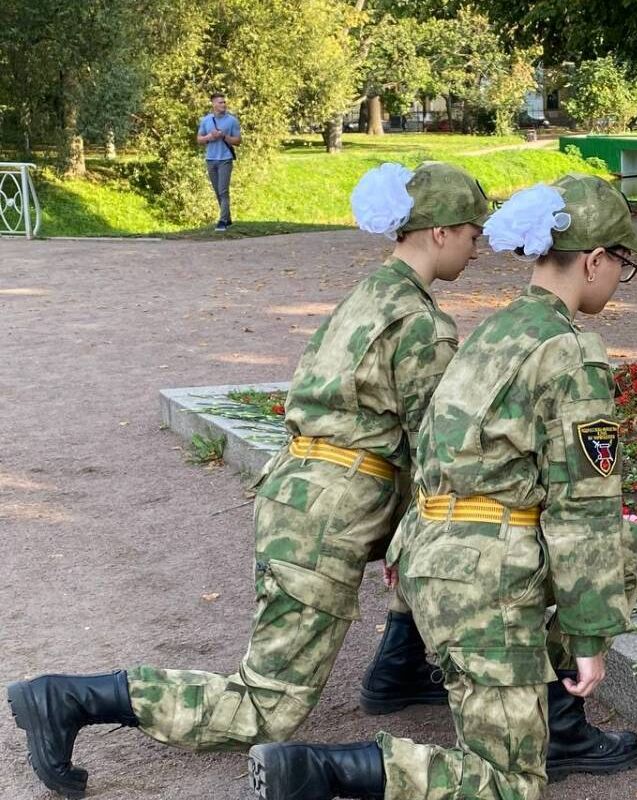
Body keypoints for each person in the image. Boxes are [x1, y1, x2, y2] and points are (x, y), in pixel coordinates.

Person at [6, 161, 490, 800]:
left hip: (302, 489)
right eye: (471, 232)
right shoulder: (421, 323)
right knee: (266, 707)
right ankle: (71, 699)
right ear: (437, 232)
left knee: (406, 538)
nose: (476, 246)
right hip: (333, 509)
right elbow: (436, 449)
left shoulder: (371, 294)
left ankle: (398, 671)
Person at [245, 173, 637, 800]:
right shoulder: (573, 353)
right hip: (487, 582)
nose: (620, 279)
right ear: (595, 261)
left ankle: (528, 712)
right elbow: (583, 512)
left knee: (616, 548)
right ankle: (321, 771)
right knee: (508, 784)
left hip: (432, 564)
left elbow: (432, 449)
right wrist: (589, 641)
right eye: (622, 264)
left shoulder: (493, 331)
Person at [196, 92, 242, 232]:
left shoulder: (232, 120)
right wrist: (210, 136)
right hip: (211, 159)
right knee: (217, 191)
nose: (223, 104)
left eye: (224, 102)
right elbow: (199, 139)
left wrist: (224, 136)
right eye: (220, 102)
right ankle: (228, 219)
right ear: (213, 104)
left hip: (225, 159)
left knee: (223, 190)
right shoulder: (206, 120)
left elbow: (238, 141)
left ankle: (222, 221)